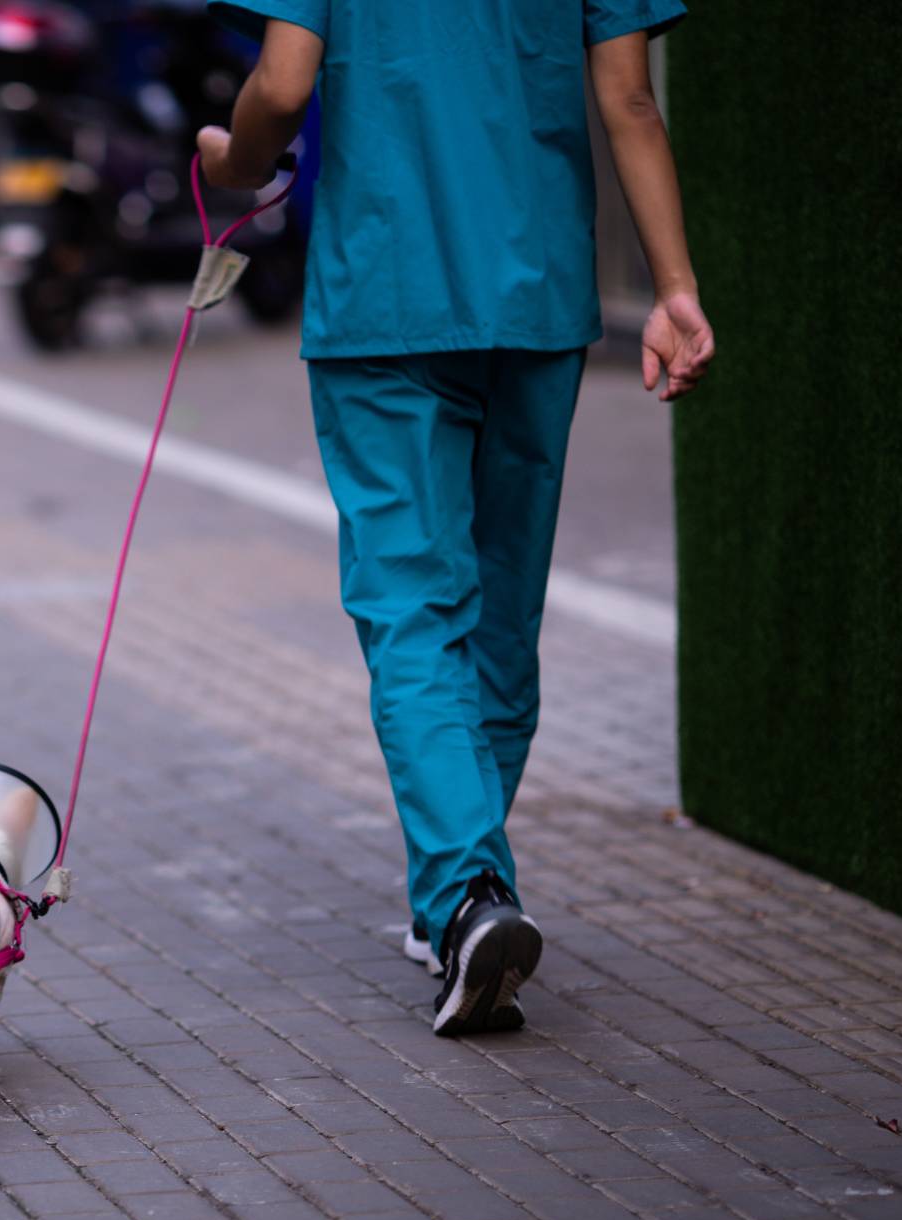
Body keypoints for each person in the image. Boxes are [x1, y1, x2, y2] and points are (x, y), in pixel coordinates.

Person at [197, 0, 715, 1035]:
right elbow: (626, 100)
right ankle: (461, 890)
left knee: (410, 607)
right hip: (536, 296)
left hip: (382, 296)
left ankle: (467, 894)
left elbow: (284, 86)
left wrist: (230, 163)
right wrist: (671, 288)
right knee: (499, 610)